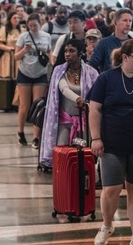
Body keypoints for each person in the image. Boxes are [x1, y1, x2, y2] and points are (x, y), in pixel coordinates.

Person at [88, 39, 133, 245]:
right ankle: (107, 225)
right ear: (125, 57)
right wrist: (96, 138)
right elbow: (94, 109)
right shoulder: (106, 79)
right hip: (111, 144)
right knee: (111, 188)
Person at [40, 39, 99, 168]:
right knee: (61, 154)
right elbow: (64, 88)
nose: (67, 54)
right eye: (66, 51)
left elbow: (97, 94)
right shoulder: (59, 71)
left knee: (86, 156)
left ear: (80, 53)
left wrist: (87, 103)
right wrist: (78, 99)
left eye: (72, 51)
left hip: (85, 122)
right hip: (65, 121)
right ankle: (64, 184)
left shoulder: (92, 73)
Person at [14, 13, 52, 149]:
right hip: (25, 73)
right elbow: (16, 57)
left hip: (40, 73)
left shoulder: (46, 36)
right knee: (24, 105)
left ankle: (36, 137)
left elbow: (49, 53)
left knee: (38, 106)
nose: (33, 28)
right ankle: (21, 132)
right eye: (30, 26)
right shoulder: (23, 37)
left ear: (40, 23)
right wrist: (25, 49)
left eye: (35, 25)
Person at [88, 8, 133, 73]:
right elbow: (92, 65)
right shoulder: (104, 43)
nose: (128, 24)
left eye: (130, 21)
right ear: (115, 22)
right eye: (125, 20)